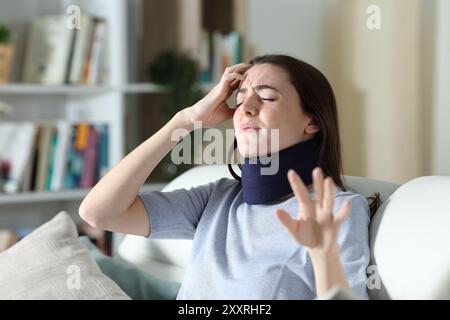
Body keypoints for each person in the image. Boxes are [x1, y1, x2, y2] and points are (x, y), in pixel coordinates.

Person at [79, 54, 378, 299]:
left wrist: (323, 255)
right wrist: (186, 119)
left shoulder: (336, 212)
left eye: (268, 98)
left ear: (311, 120)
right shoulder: (219, 199)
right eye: (241, 96)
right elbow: (98, 212)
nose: (246, 108)